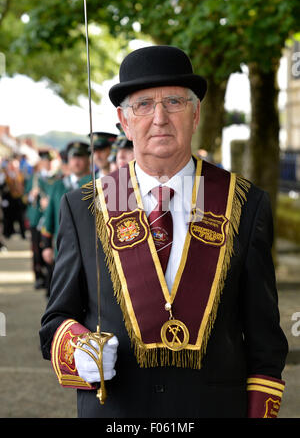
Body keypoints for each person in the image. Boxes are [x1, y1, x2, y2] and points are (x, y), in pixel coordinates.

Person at [40, 45, 288, 418]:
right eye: (143, 105)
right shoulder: (85, 206)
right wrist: (79, 350)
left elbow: (264, 339)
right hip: (117, 413)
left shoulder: (244, 203)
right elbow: (55, 320)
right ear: (124, 121)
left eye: (174, 102)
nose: (160, 118)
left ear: (195, 113)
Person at [40, 142, 92, 296]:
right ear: (68, 161)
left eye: (80, 157)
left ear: (88, 159)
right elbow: (49, 216)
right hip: (62, 248)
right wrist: (46, 245)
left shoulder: (96, 184)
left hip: (88, 249)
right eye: (73, 158)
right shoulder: (58, 185)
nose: (76, 162)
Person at [24, 150, 60, 290]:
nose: (48, 164)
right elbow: (25, 198)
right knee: (36, 249)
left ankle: (49, 279)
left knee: (50, 248)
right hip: (36, 218)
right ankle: (38, 276)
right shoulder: (34, 178)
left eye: (50, 162)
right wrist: (33, 196)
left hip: (50, 218)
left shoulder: (58, 178)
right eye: (45, 161)